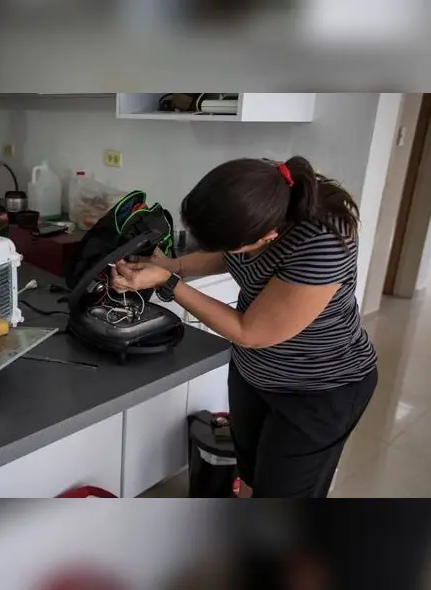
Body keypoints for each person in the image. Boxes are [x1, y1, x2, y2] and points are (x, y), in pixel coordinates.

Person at [111, 156, 378, 498]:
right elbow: (229, 254)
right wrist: (172, 264)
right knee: (250, 477)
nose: (225, 250)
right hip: (255, 374)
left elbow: (251, 332)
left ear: (268, 234)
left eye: (229, 243)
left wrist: (168, 282)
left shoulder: (323, 242)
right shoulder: (261, 203)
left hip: (318, 389)